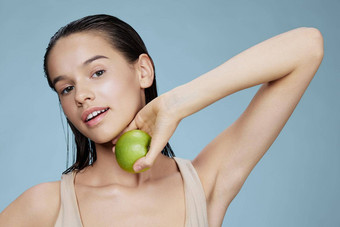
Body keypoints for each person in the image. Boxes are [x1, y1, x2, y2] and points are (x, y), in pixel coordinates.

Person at [0, 14, 323, 227]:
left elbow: (307, 46)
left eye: (97, 72)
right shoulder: (44, 206)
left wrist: (178, 102)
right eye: (66, 88)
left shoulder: (204, 184)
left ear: (143, 71)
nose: (81, 95)